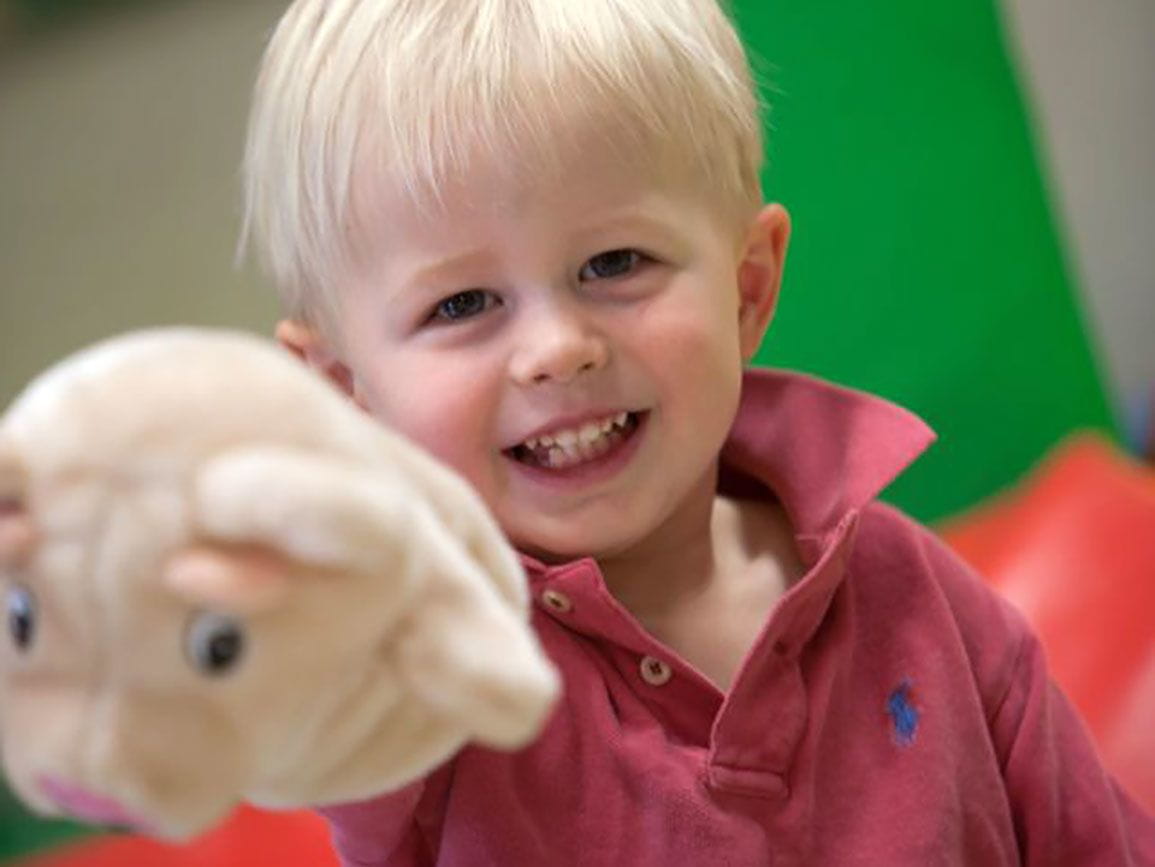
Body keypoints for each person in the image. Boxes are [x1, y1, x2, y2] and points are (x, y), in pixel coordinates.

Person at [240, 0, 1155, 863]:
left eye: (613, 262)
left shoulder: (912, 593)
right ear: (345, 396)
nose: (556, 350)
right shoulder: (419, 681)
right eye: (462, 302)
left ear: (746, 287)